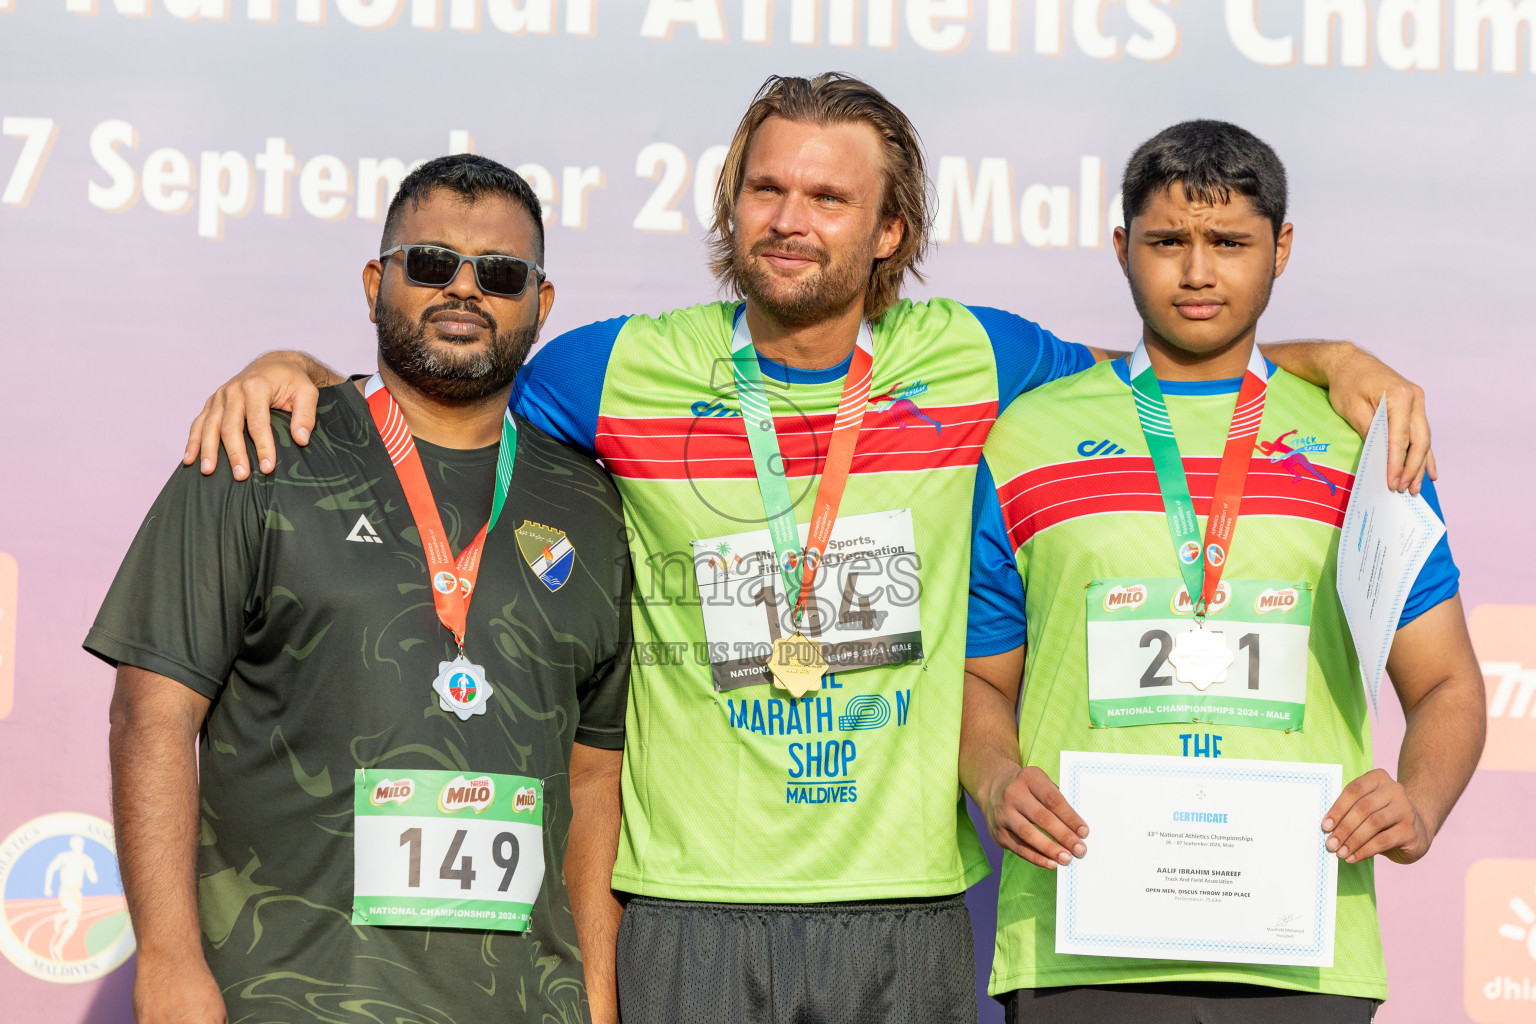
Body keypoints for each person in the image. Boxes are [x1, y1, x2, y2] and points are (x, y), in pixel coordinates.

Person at [178, 76, 1435, 1024]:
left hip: (909, 907)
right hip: (688, 908)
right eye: (768, 188)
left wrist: (1336, 360)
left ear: (889, 229)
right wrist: (296, 372)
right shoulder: (617, 366)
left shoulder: (979, 359)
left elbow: (1182, 370)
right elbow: (447, 393)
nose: (791, 219)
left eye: (830, 197)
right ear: (733, 204)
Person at [85, 155, 632, 1024]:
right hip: (284, 998)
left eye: (498, 273)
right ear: (377, 282)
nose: (463, 289)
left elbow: (595, 779)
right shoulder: (259, 455)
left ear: (542, 302)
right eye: (429, 264)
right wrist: (167, 959)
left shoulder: (592, 504)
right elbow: (151, 716)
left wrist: (599, 1001)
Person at [962, 120, 1485, 1022]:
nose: (1197, 272)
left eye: (1230, 243)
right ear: (1123, 249)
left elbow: (1445, 682)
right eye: (1168, 242)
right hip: (1080, 941)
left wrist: (1421, 804)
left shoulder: (1363, 448)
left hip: (1305, 945)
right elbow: (977, 678)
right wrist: (994, 777)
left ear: (1280, 249)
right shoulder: (1026, 439)